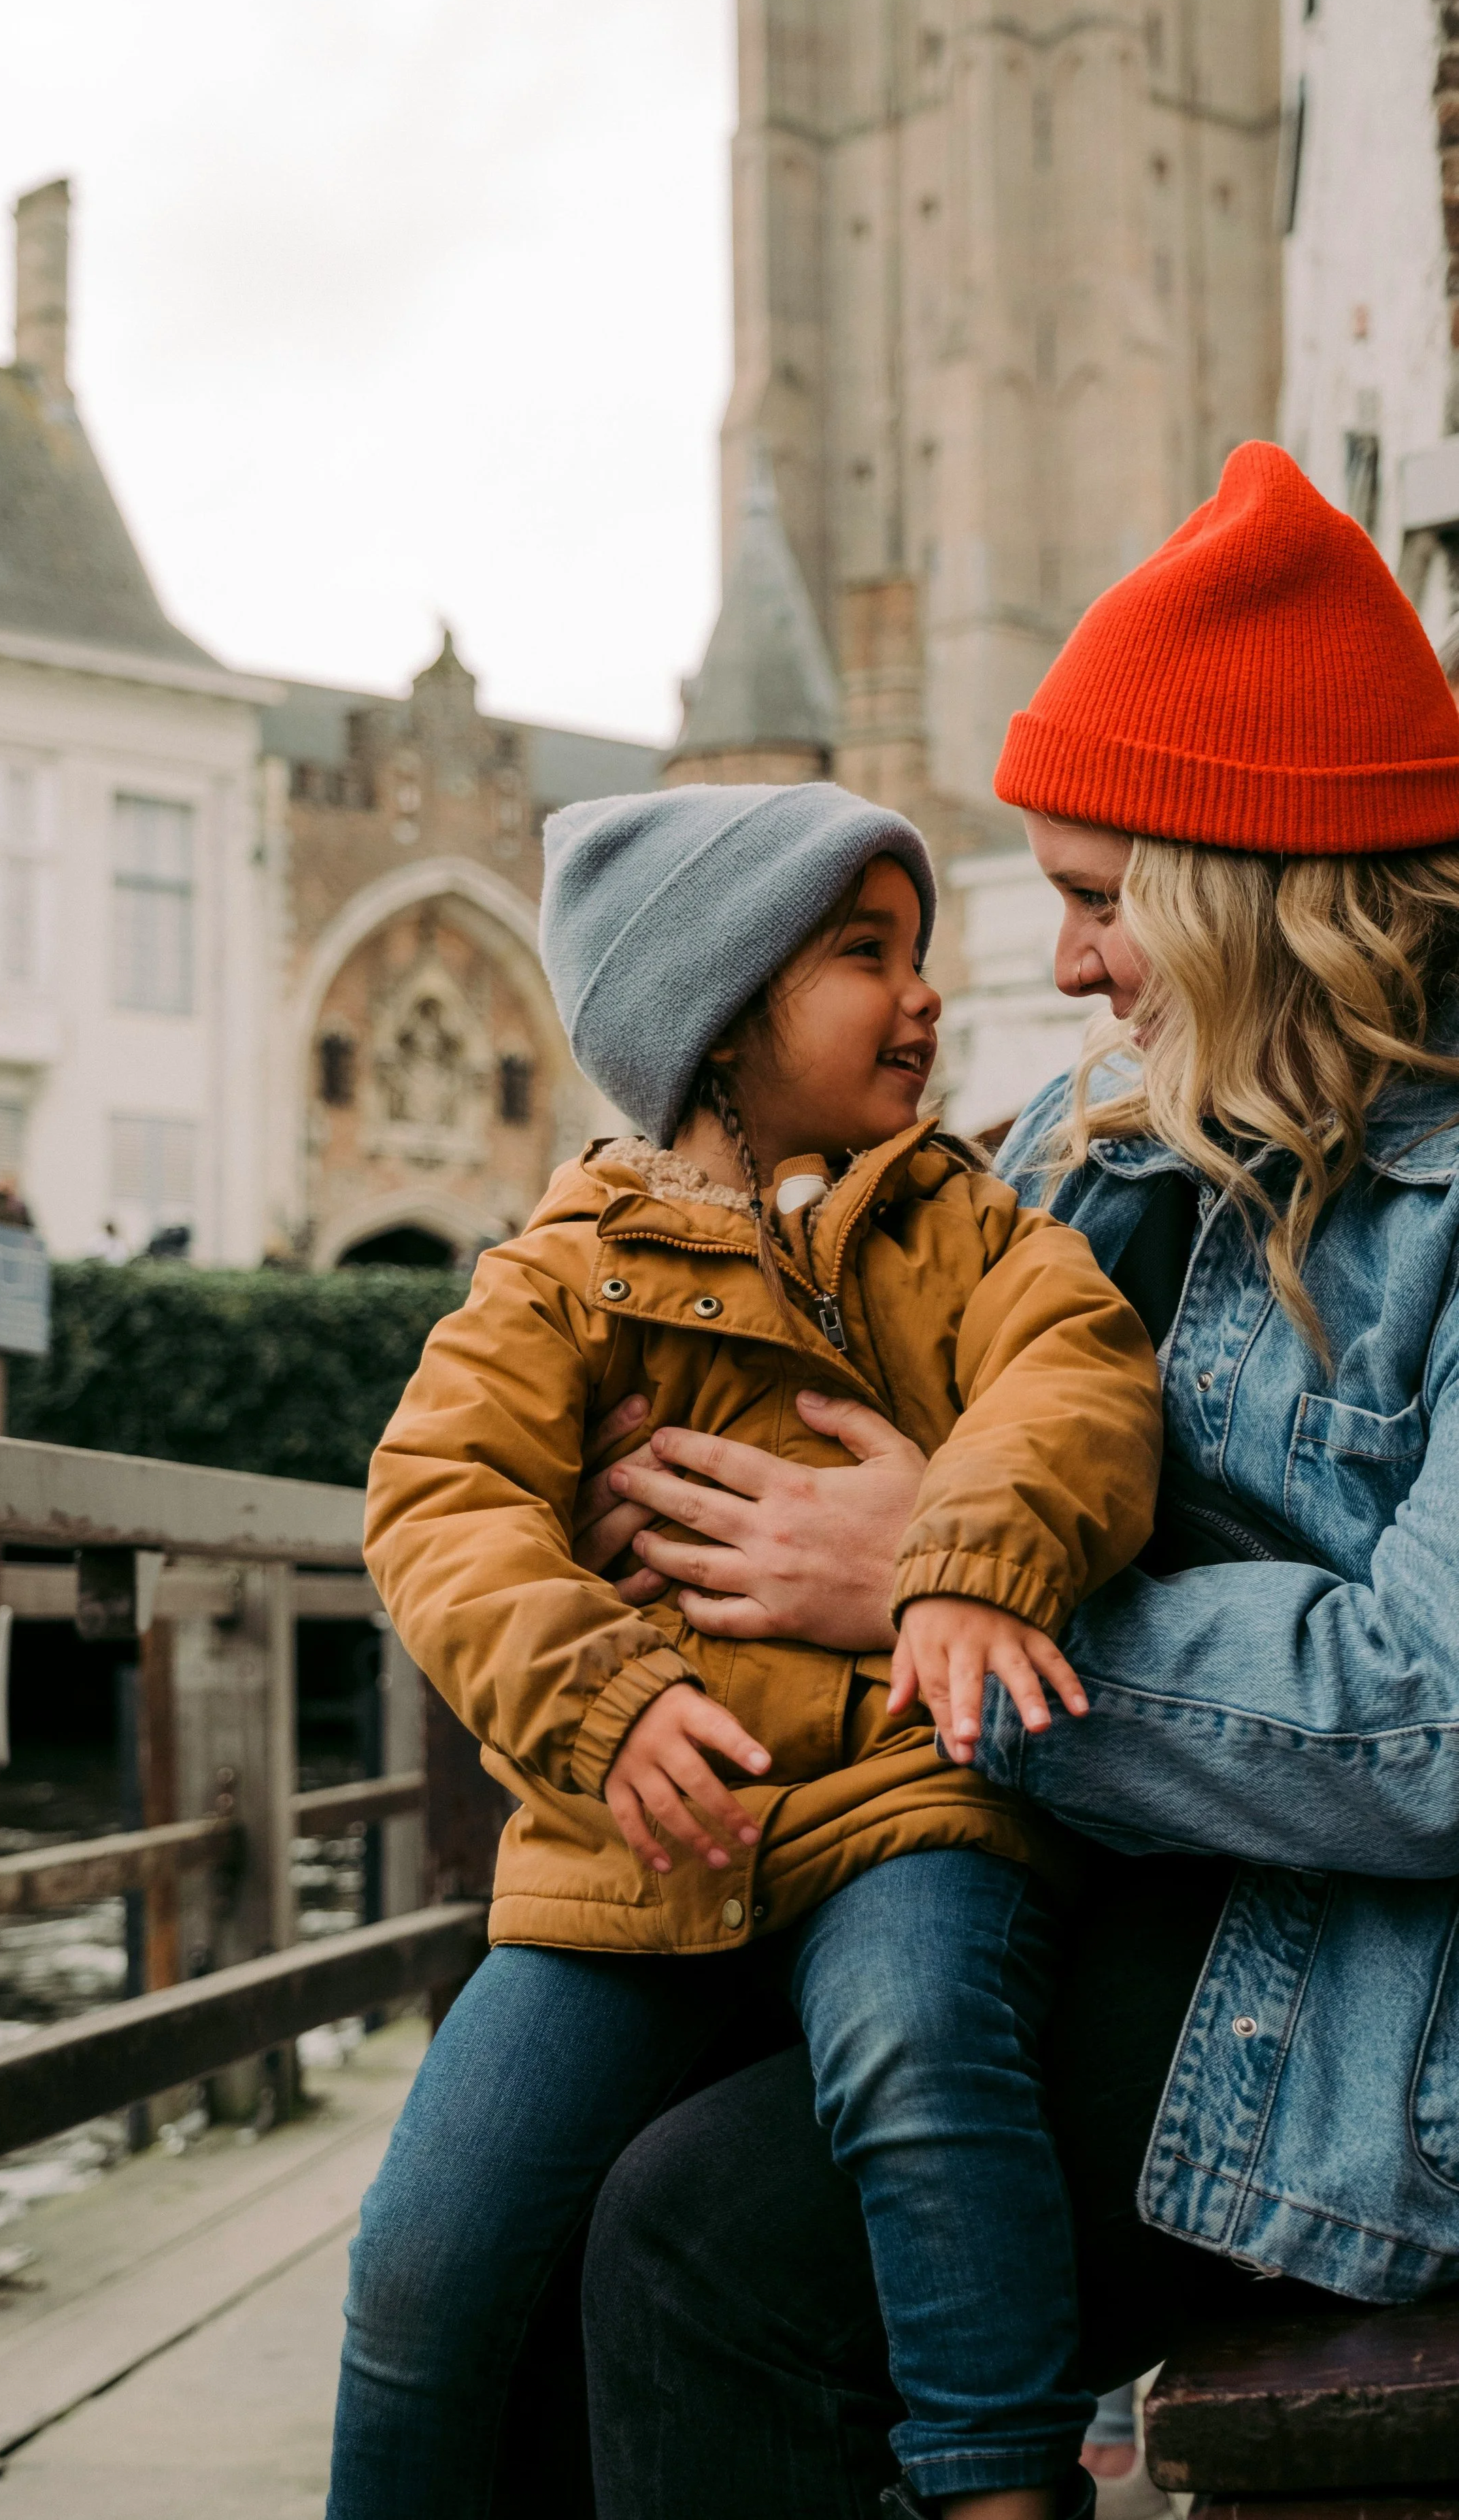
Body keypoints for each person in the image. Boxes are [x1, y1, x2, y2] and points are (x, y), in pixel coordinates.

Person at [569, 442, 1459, 2517]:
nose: (1056, 968)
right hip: (1064, 1870)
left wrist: (942, 1595)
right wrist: (656, 1479)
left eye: (1091, 898)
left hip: (1350, 1991)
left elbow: (1430, 1718)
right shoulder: (1095, 1140)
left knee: (708, 2250)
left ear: (1257, 893)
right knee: (534, 2153)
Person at [329, 779, 1165, 2520]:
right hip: (635, 1841)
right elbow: (439, 1497)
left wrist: (965, 1555)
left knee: (921, 2058)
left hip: (895, 1801)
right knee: (424, 2253)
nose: (922, 992)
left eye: (917, 948)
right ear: (713, 1016)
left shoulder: (961, 1223)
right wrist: (600, 1695)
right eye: (864, 953)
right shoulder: (559, 1275)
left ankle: (998, 2483)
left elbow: (1076, 1378)